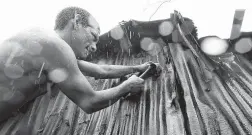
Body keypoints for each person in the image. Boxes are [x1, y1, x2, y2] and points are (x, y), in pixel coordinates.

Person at [0, 6, 155, 122]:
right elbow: (90, 102)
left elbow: (101, 70)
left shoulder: (43, 42)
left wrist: (137, 68)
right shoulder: (56, 47)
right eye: (93, 36)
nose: (94, 47)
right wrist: (127, 86)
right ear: (75, 23)